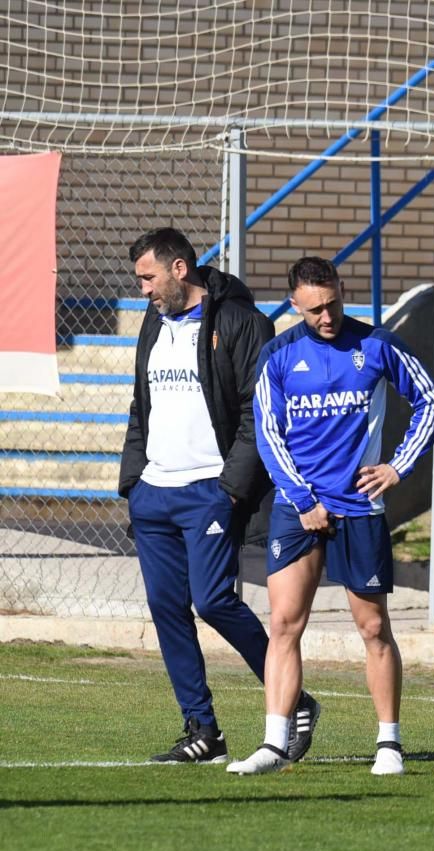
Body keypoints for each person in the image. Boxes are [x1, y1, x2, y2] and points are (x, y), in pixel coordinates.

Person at [228, 256, 434, 776]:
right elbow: (268, 435)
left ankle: (389, 744)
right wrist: (304, 501)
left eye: (332, 305)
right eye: (314, 311)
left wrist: (397, 467)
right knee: (283, 623)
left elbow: (431, 401)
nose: (326, 317)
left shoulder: (377, 345)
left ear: (342, 292)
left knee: (373, 628)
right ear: (295, 306)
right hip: (297, 508)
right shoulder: (278, 356)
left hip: (360, 507)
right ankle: (274, 744)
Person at [119, 227, 320, 763]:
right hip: (154, 492)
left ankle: (293, 698)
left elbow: (260, 414)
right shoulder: (153, 322)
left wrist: (230, 490)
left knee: (212, 599)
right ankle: (202, 731)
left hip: (210, 490)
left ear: (179, 269)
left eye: (147, 277)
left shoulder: (240, 322)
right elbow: (143, 404)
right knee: (166, 607)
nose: (141, 289)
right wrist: (133, 482)